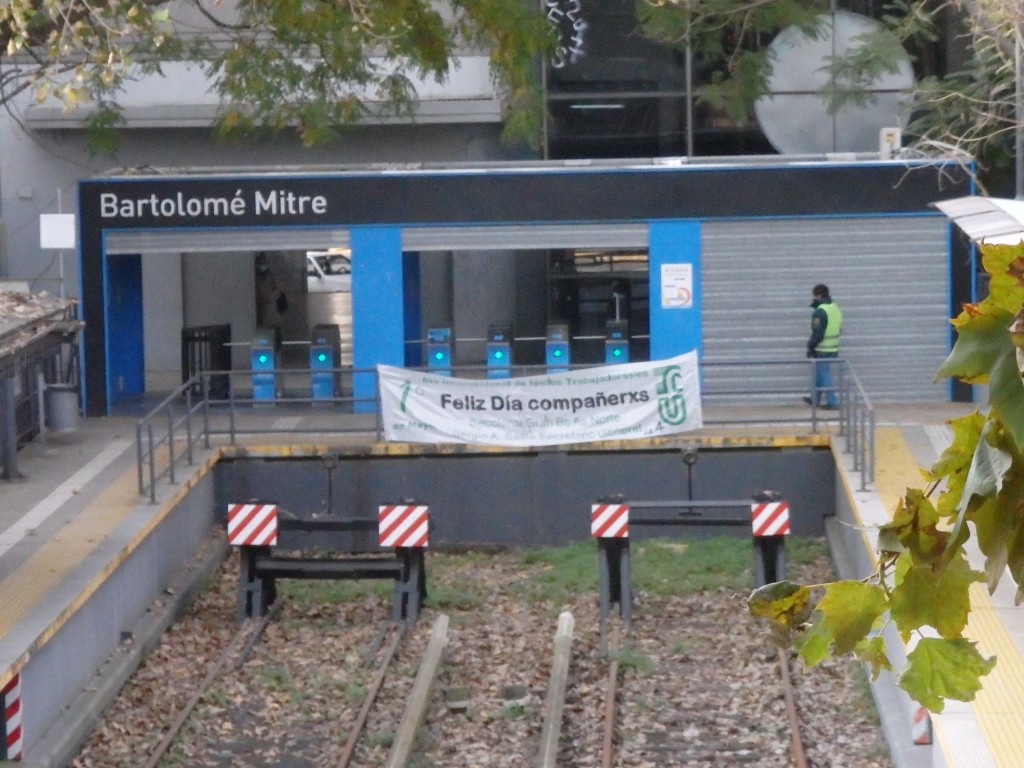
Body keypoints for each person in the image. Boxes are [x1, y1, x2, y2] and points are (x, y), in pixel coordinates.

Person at [805, 283, 842, 409]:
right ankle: (815, 399)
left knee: (824, 374)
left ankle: (833, 402)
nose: (813, 299)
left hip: (822, 348)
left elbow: (818, 333)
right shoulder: (835, 307)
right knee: (819, 372)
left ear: (819, 295)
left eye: (814, 296)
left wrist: (810, 346)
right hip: (833, 347)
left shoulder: (820, 311)